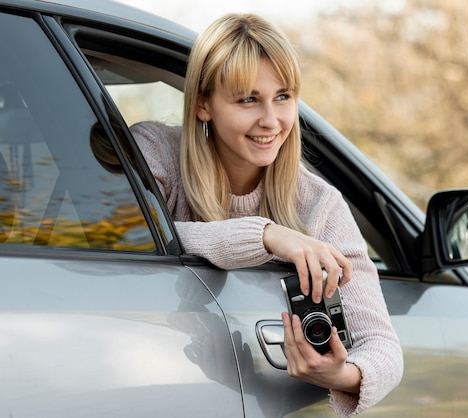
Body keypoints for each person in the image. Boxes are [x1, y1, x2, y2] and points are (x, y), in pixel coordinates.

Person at [130, 13, 403, 417]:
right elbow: (130, 236)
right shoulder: (155, 152)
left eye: (283, 97)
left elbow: (382, 345)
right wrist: (266, 236)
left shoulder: (319, 204)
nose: (271, 121)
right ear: (203, 104)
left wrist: (342, 375)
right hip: (142, 382)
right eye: (248, 99)